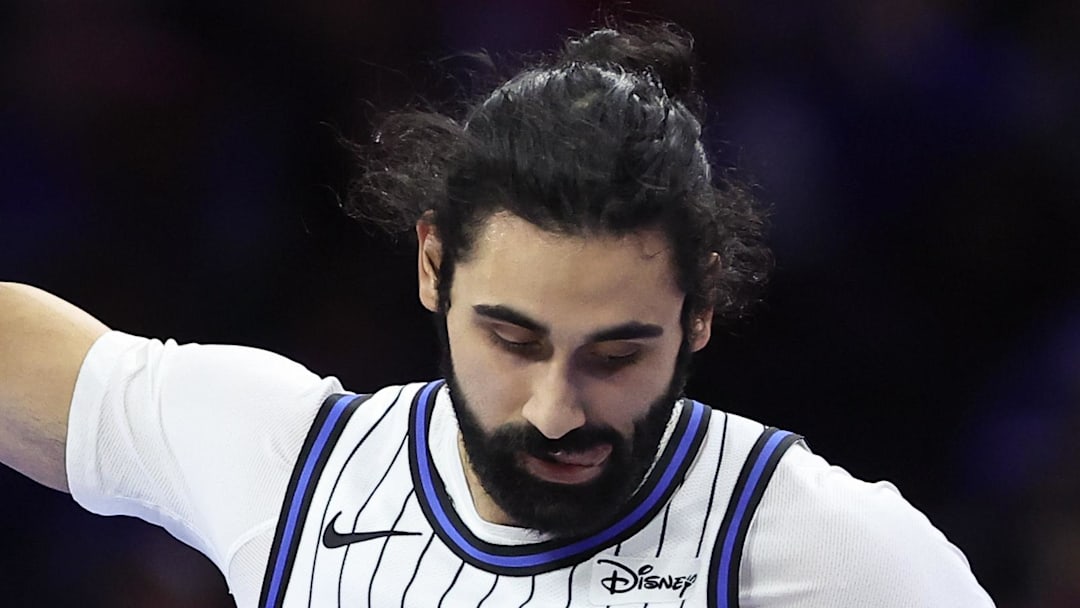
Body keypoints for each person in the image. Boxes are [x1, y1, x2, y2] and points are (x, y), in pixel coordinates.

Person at [0, 23, 995, 608]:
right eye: (512, 339)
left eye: (616, 353)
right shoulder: (292, 464)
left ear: (696, 313)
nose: (558, 408)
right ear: (433, 265)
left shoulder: (824, 546)